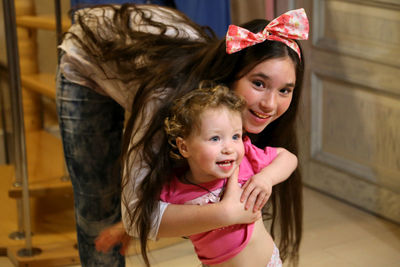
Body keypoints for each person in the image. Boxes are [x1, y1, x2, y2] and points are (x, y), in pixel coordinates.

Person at [56, 3, 308, 266]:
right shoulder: (165, 99)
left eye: (285, 90)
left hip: (147, 48)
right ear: (231, 75)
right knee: (97, 208)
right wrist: (223, 213)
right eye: (259, 83)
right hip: (89, 51)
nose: (270, 104)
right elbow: (136, 216)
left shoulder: (234, 114)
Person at [159, 84, 297, 266]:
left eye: (236, 136)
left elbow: (288, 157)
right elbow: (153, 218)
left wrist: (266, 178)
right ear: (184, 147)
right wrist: (123, 230)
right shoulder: (173, 189)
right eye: (215, 138)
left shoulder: (245, 159)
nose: (229, 148)